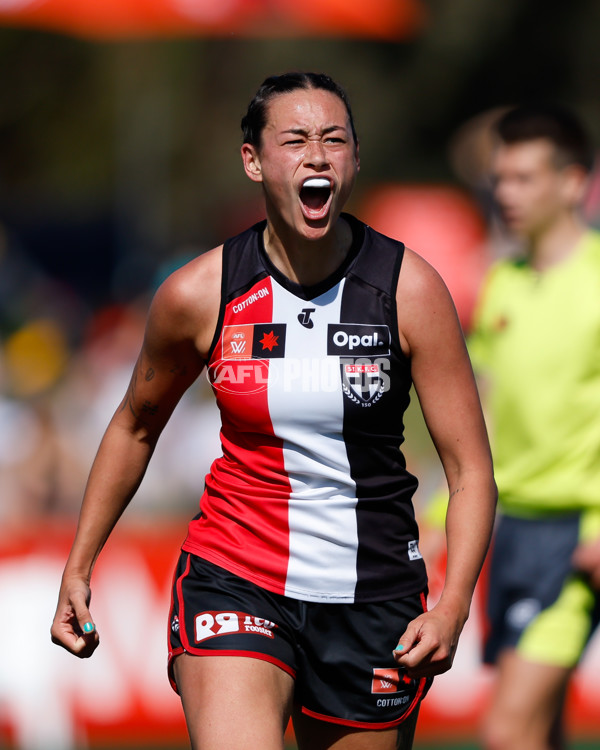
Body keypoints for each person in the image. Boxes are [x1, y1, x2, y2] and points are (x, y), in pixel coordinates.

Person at [50, 71, 496, 750]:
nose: (317, 156)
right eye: (295, 140)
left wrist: (456, 604)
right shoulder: (200, 293)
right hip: (236, 574)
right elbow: (136, 425)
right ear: (254, 162)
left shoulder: (410, 290)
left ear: (354, 160)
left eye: (334, 140)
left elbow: (469, 471)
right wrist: (79, 565)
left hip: (373, 595)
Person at [469, 104, 600, 750]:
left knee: (507, 729)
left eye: (524, 178)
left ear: (573, 181)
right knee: (540, 730)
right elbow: (483, 412)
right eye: (500, 178)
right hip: (512, 531)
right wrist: (445, 511)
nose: (506, 194)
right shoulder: (502, 285)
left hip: (576, 533)